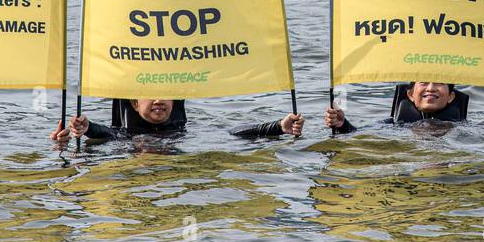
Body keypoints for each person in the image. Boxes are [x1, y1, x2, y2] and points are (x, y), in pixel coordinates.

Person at [51, 98, 304, 143]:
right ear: (135, 103)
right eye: (151, 95)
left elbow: (233, 133)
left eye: (166, 96)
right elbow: (106, 133)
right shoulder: (124, 137)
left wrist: (278, 127)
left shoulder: (184, 134)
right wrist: (85, 129)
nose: (159, 100)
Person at [323, 82, 469, 133]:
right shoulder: (391, 125)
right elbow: (354, 135)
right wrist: (342, 125)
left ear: (451, 96)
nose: (431, 88)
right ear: (410, 94)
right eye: (423, 82)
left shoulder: (464, 129)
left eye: (439, 83)